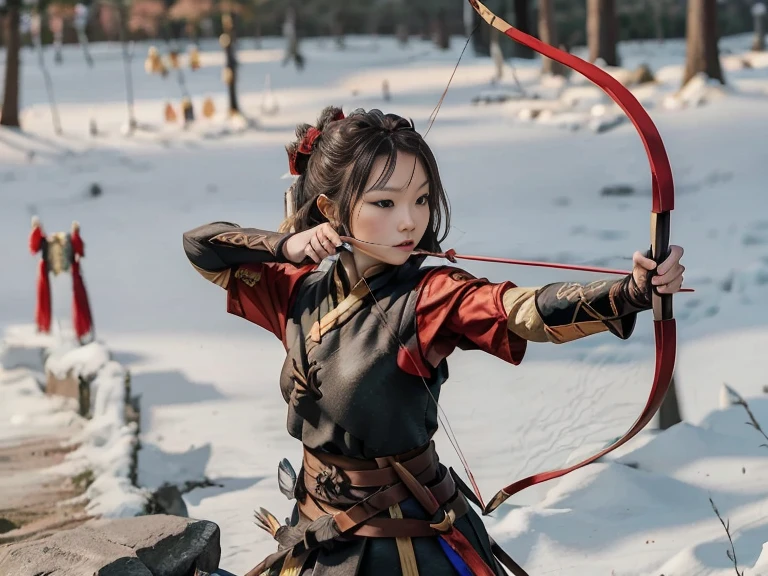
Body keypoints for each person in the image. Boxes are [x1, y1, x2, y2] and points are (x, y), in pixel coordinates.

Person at [183, 106, 685, 576]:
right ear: (331, 210)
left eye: (420, 199)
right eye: (385, 202)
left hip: (406, 541)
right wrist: (284, 245)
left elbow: (521, 311)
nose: (409, 220)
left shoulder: (431, 296)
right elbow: (200, 246)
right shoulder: (298, 290)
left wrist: (631, 292)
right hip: (317, 530)